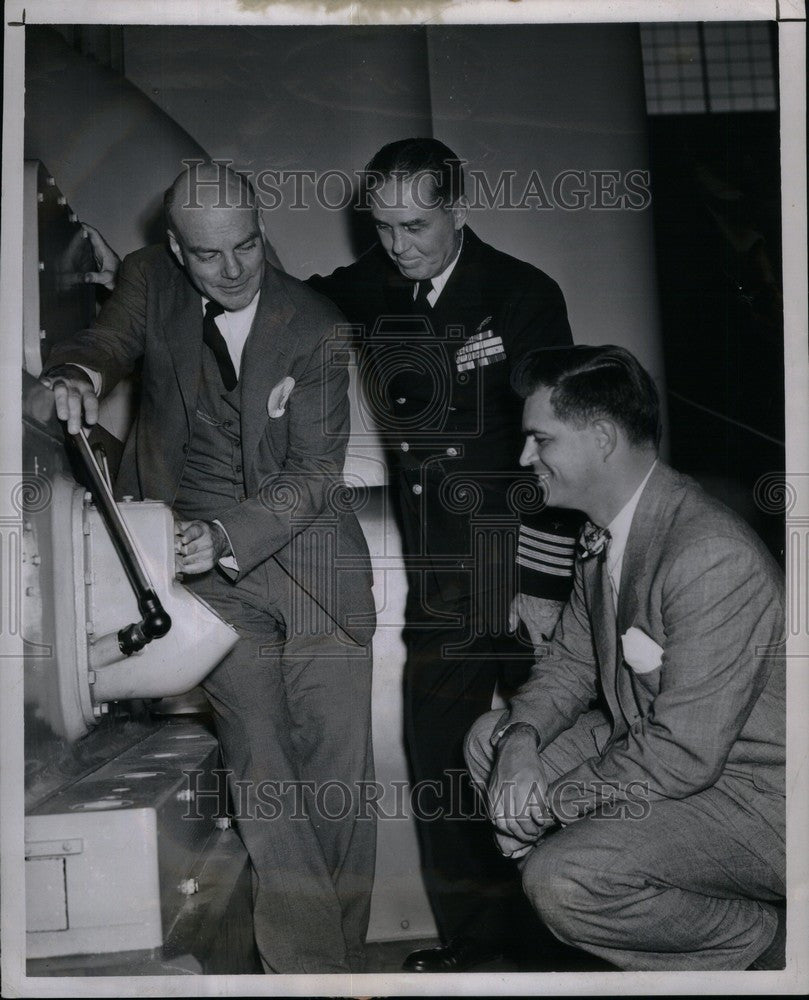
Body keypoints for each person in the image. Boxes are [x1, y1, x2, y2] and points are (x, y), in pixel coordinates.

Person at [41, 162, 377, 974]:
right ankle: (316, 981)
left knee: (336, 790)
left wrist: (224, 530)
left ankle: (338, 966)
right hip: (209, 586)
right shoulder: (147, 278)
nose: (233, 271)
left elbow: (314, 474)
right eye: (209, 255)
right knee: (263, 769)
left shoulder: (317, 325)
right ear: (174, 249)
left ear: (261, 230)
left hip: (311, 573)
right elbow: (108, 342)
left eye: (247, 247)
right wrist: (76, 375)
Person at [309, 138, 585, 971]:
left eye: (415, 225)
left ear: (456, 208)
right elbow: (287, 300)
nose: (397, 244)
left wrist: (536, 583)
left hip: (515, 563)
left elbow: (555, 445)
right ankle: (481, 950)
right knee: (439, 759)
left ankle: (574, 944)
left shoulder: (521, 296)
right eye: (382, 225)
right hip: (439, 577)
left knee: (556, 750)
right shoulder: (373, 283)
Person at [465, 344, 786, 971]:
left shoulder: (708, 556)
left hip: (756, 794)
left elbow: (685, 753)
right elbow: (567, 666)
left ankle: (761, 947)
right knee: (490, 739)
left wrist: (548, 804)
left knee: (566, 879)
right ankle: (623, 900)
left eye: (540, 440)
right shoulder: (606, 533)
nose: (524, 457)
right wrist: (523, 740)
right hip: (662, 748)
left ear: (603, 438)